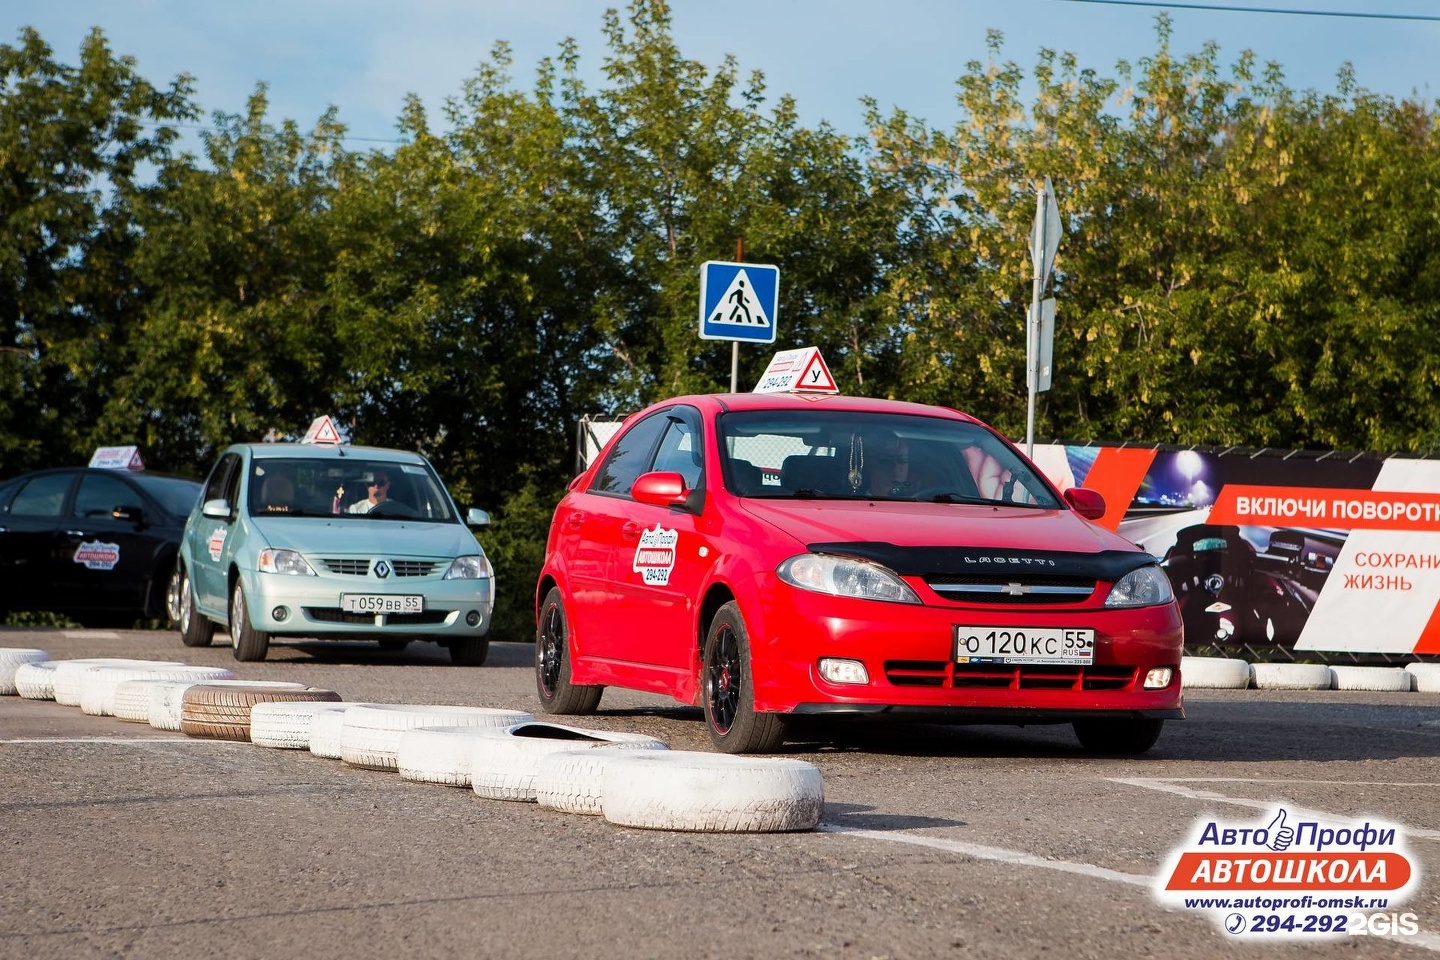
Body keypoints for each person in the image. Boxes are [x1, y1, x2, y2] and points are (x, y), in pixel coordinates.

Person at [859, 430, 911, 497]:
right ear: (869, 464)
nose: (895, 467)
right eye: (886, 461)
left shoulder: (922, 504)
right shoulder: (852, 504)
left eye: (903, 460)